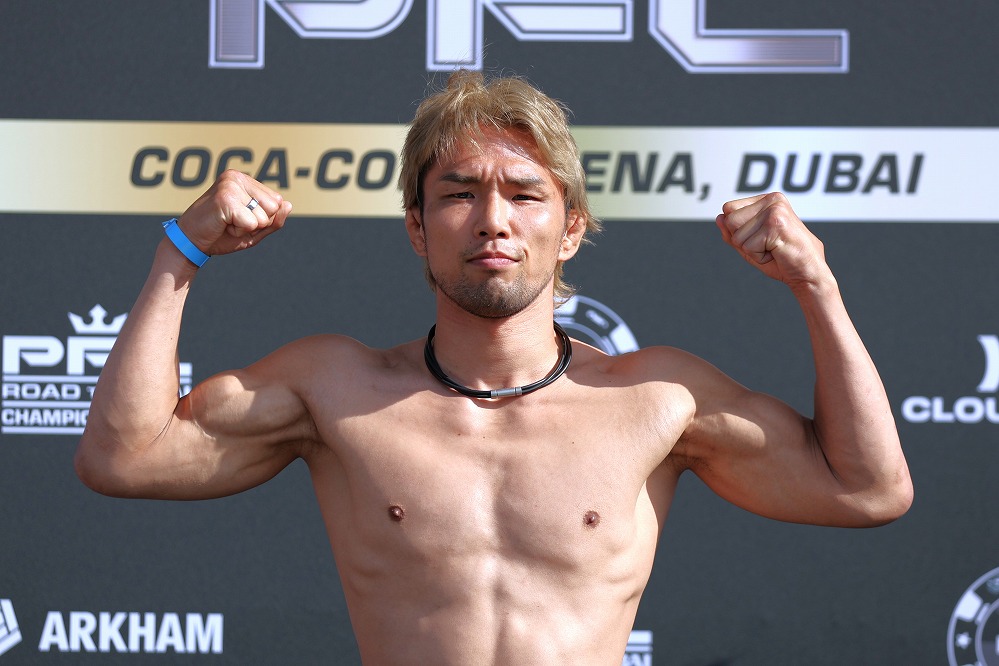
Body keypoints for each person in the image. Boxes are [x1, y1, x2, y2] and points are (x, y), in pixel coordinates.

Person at [75, 71, 912, 664]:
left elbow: (867, 489)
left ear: (570, 228)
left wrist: (815, 285)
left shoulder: (657, 398)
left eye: (523, 193)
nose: (491, 220)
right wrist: (180, 253)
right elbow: (123, 458)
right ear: (416, 226)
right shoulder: (334, 389)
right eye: (457, 193)